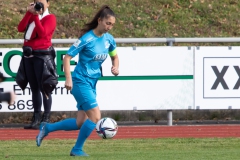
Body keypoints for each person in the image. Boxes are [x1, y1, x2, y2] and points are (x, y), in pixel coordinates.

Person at [36, 5, 119, 156]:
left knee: (80, 123)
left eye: (112, 25)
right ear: (99, 21)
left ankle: (47, 128)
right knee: (95, 116)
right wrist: (68, 78)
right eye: (108, 23)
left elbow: (114, 56)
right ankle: (77, 149)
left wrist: (115, 67)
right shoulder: (86, 39)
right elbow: (67, 57)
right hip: (80, 81)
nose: (109, 27)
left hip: (92, 83)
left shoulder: (109, 40)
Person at [17, 0, 57, 129]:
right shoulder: (32, 15)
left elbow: (42, 33)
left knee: (44, 87)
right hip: (29, 55)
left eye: (41, 2)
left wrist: (35, 15)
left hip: (42, 56)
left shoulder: (50, 18)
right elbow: (20, 28)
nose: (39, 4)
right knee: (33, 87)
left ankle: (46, 119)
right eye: (36, 2)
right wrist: (29, 13)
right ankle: (36, 118)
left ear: (48, 4)